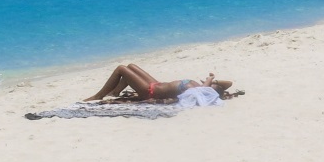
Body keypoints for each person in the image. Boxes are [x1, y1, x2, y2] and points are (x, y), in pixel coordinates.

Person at [84, 64, 237, 102]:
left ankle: (98, 96)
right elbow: (228, 83)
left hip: (149, 91)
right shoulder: (198, 87)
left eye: (213, 86)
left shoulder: (201, 91)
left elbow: (210, 88)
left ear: (210, 90)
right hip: (156, 84)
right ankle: (115, 91)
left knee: (121, 69)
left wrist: (210, 78)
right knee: (131, 66)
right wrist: (215, 82)